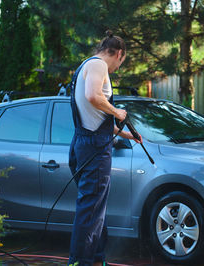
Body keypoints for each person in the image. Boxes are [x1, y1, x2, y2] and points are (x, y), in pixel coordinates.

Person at [68, 30, 142, 266]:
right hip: (94, 149)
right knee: (90, 211)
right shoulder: (99, 66)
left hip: (84, 141)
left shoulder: (85, 66)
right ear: (119, 53)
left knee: (95, 210)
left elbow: (95, 118)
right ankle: (81, 262)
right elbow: (93, 96)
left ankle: (97, 259)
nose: (119, 66)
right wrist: (117, 112)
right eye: (123, 61)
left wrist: (127, 134)